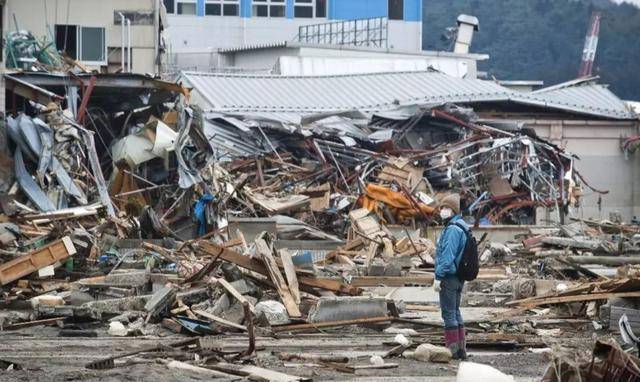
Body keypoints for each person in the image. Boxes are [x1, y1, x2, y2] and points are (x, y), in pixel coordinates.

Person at [433, 194, 468, 360]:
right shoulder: (460, 226)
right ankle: (461, 351)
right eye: (441, 208)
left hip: (449, 277)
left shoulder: (453, 229)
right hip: (458, 277)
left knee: (449, 314)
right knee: (455, 312)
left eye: (445, 208)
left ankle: (452, 351)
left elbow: (447, 257)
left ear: (453, 210)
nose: (442, 211)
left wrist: (438, 277)